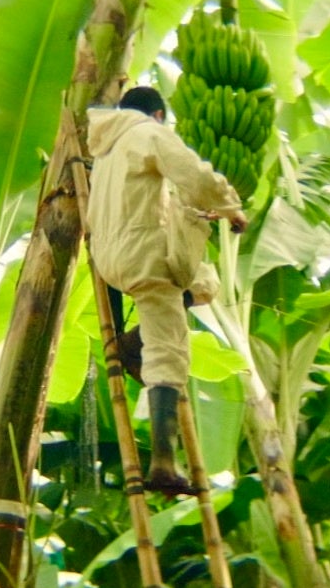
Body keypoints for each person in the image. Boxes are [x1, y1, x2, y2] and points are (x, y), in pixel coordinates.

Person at [86, 86, 248, 495]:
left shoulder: (105, 150)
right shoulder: (148, 133)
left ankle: (134, 340)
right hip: (143, 254)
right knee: (170, 351)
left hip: (110, 257)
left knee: (204, 282)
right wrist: (231, 208)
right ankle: (162, 463)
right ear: (157, 114)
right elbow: (194, 174)